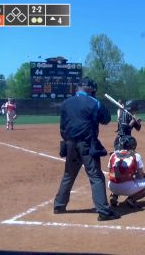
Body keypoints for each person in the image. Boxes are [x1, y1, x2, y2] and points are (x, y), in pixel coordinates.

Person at [54, 77, 121, 221]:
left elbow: (63, 126)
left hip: (70, 143)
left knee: (69, 174)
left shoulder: (66, 103)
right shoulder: (94, 102)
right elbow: (106, 119)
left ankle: (59, 205)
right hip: (87, 143)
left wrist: (67, 141)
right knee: (96, 176)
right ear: (88, 88)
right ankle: (103, 211)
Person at [107, 135, 145, 209]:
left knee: (117, 176)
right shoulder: (136, 156)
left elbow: (110, 171)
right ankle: (131, 199)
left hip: (112, 186)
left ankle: (114, 196)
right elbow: (141, 176)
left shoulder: (113, 154)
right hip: (127, 188)